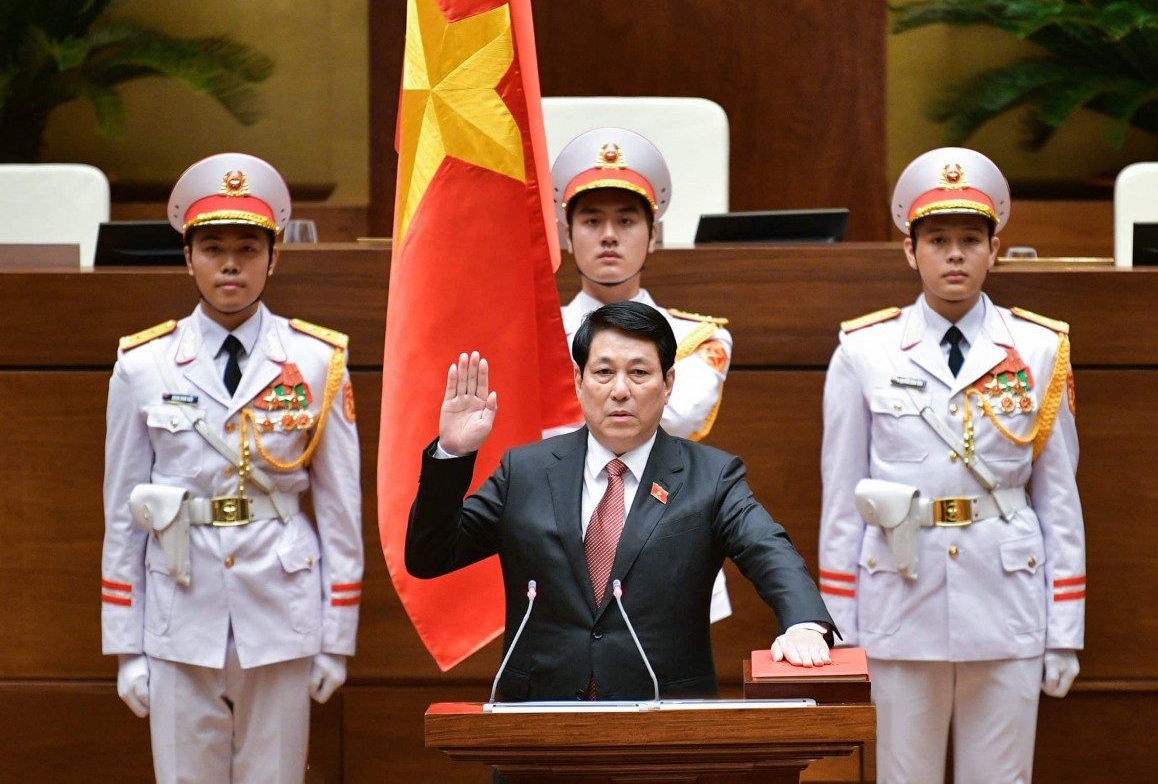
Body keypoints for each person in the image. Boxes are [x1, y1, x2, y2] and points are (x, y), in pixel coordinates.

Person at [405, 301, 834, 701]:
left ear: (668, 384)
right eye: (604, 372)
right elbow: (429, 556)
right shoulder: (526, 471)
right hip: (536, 725)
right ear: (578, 381)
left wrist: (804, 624)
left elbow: (768, 549)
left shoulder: (711, 478)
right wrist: (453, 454)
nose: (620, 390)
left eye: (640, 373)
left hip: (664, 728)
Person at [818, 147, 1085, 784]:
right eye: (938, 239)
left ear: (996, 247)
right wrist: (840, 630)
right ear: (910, 250)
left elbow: (1059, 498)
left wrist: (1064, 627)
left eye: (971, 238)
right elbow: (840, 500)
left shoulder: (1040, 349)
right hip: (898, 604)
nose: (956, 254)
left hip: (1009, 599)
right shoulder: (865, 350)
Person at [101, 153, 363, 784]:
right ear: (187, 256)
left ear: (273, 257)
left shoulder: (316, 360)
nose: (229, 264)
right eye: (212, 246)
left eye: (247, 248)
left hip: (281, 608)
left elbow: (338, 508)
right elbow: (122, 513)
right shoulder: (144, 365)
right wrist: (125, 646)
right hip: (177, 610)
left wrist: (336, 634)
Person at [553, 126, 734, 622]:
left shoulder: (697, 338)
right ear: (566, 236)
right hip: (557, 557)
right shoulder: (532, 337)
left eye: (627, 220)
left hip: (670, 555)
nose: (609, 235)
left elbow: (673, 416)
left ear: (654, 235)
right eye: (591, 220)